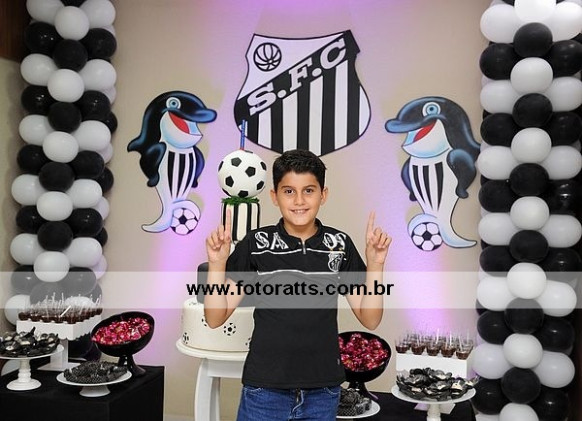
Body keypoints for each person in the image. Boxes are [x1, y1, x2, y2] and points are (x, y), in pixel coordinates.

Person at [205, 149, 391, 421]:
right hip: (264, 391)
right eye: (289, 191)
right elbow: (215, 317)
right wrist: (216, 264)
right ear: (274, 196)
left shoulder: (339, 245)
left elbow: (370, 318)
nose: (299, 201)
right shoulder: (256, 244)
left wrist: (375, 264)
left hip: (322, 392)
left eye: (309, 191)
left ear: (323, 195)